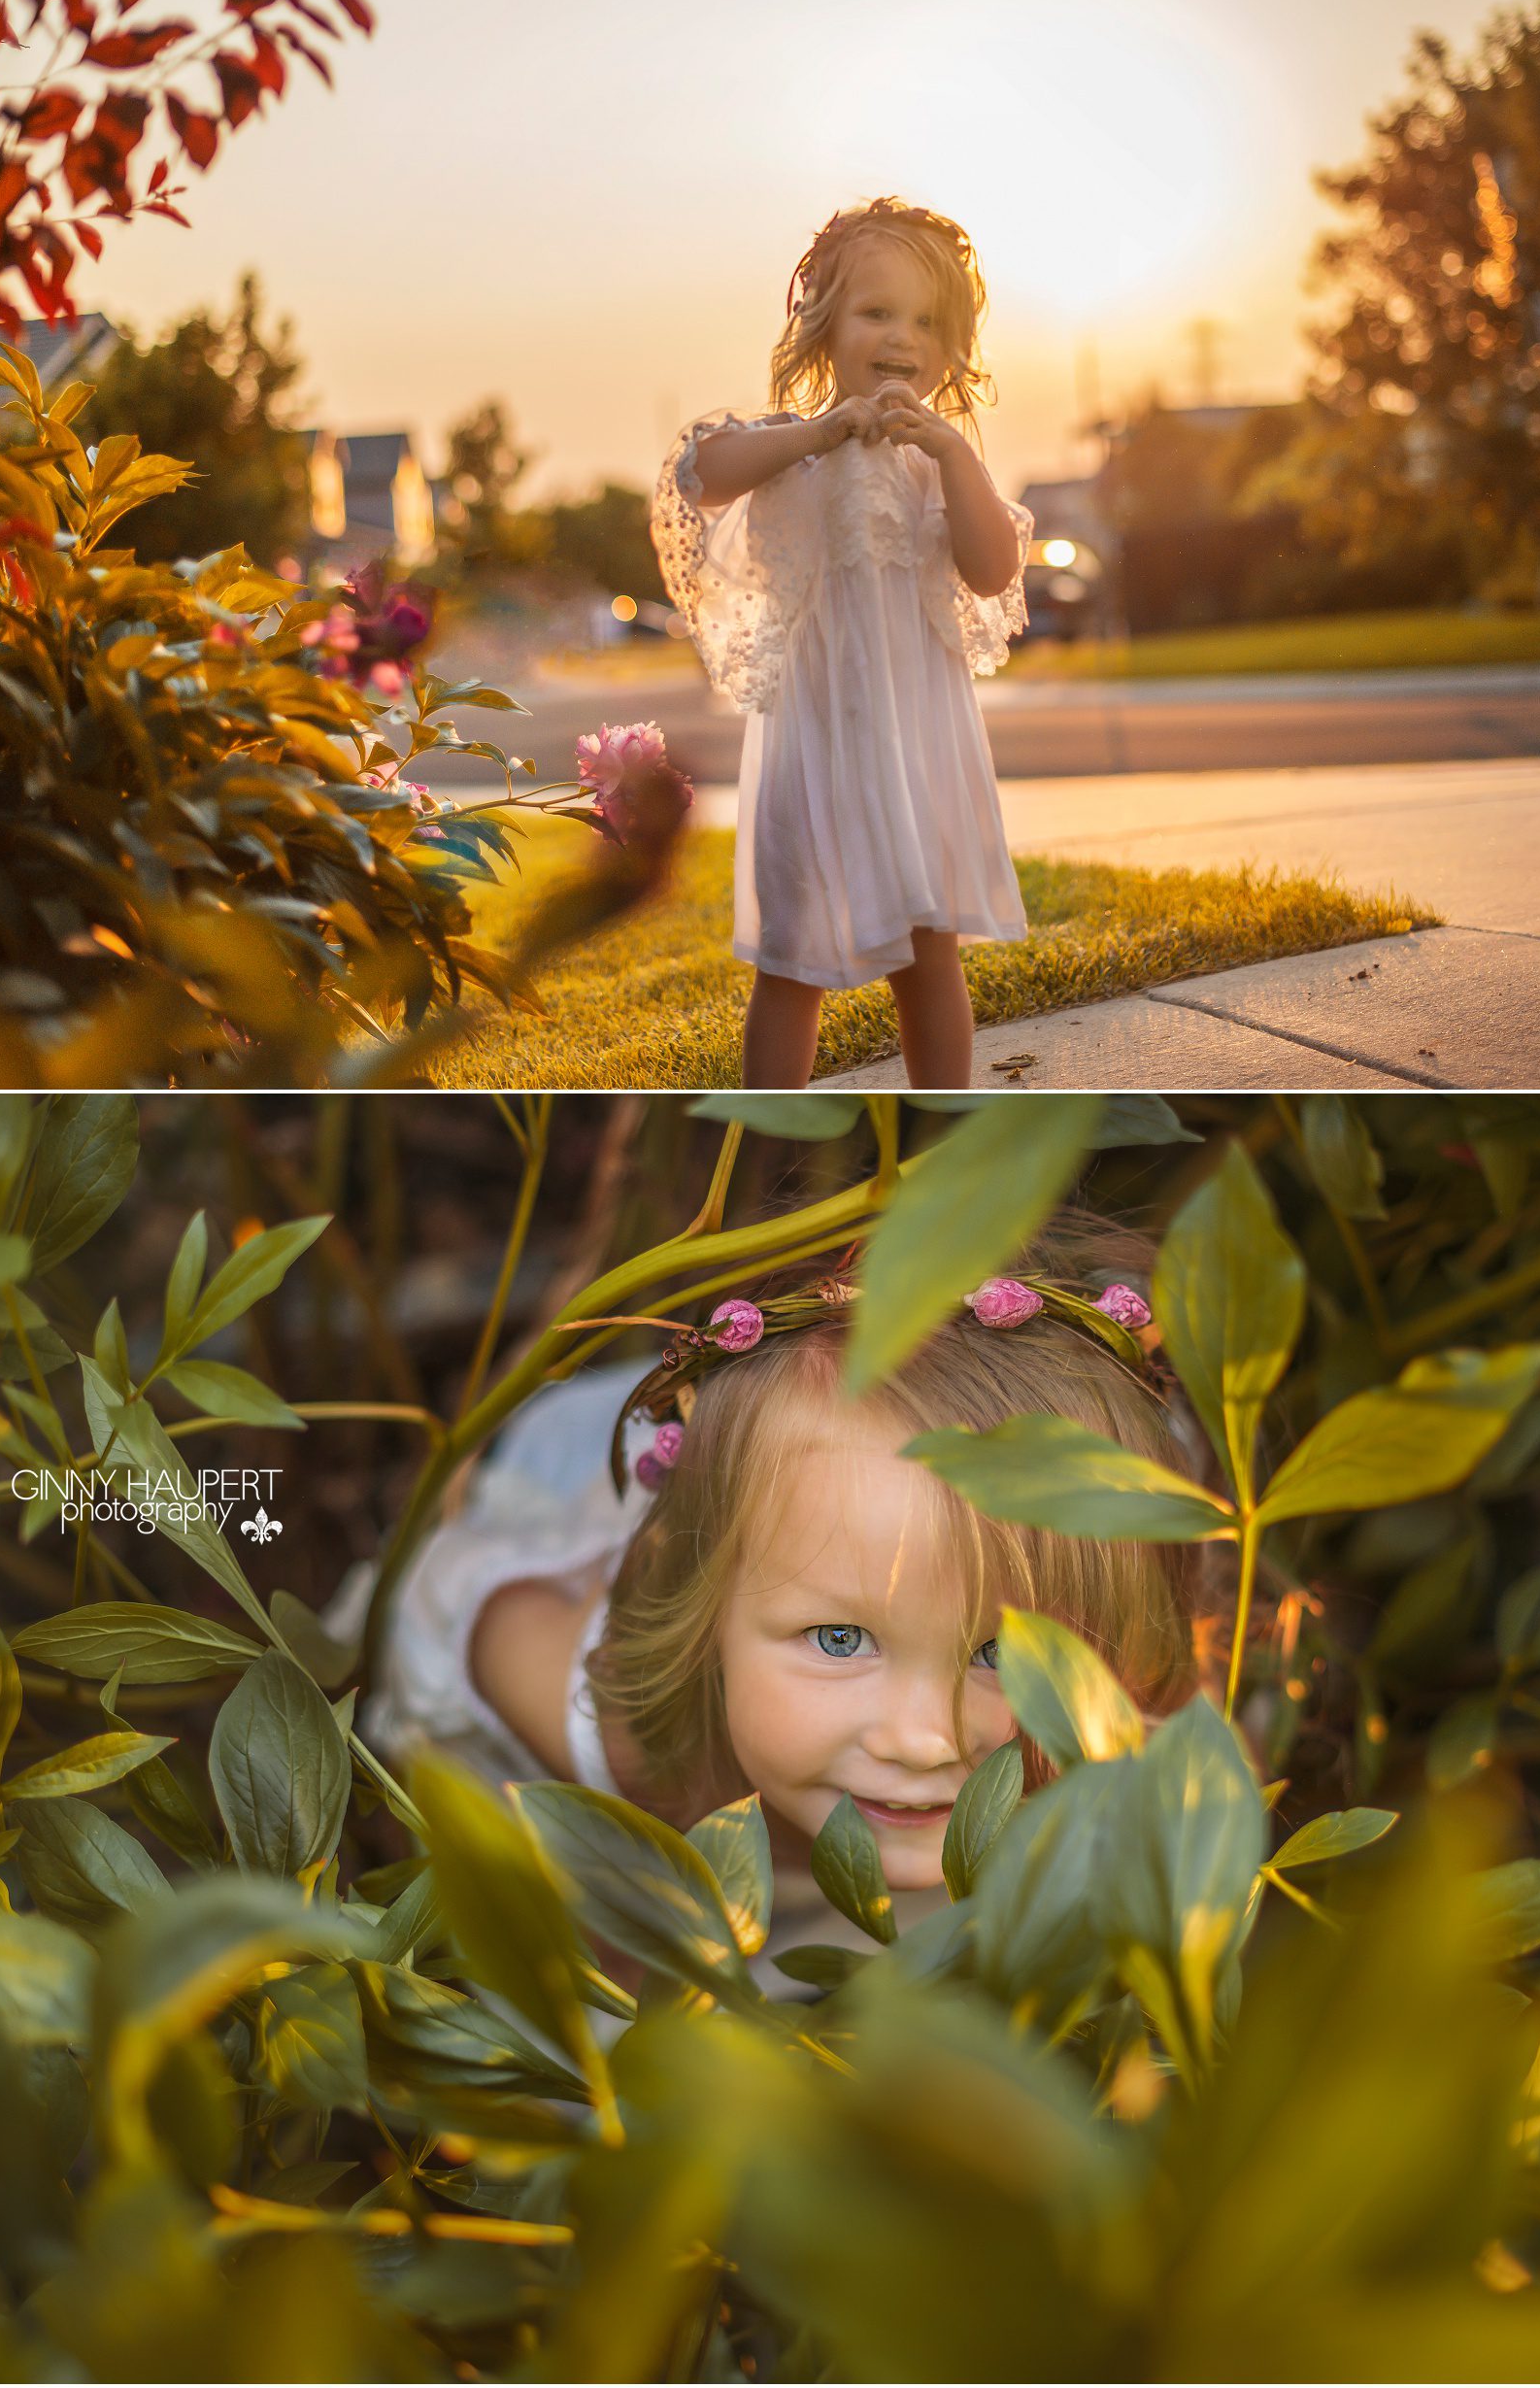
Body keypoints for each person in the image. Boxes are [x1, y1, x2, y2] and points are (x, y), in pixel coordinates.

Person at [359, 1239, 1204, 1975]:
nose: (922, 1740)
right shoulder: (635, 1743)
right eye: (840, 1639)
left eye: (1004, 1653)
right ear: (709, 1625)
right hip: (572, 1490)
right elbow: (444, 1611)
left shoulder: (1126, 1728)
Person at [649, 196, 1035, 1092]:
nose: (904, 337)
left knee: (928, 953)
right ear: (823, 325)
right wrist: (816, 431)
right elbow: (699, 473)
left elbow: (990, 568)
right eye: (877, 312)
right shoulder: (795, 450)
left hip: (916, 749)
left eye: (928, 321)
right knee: (790, 962)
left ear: (955, 349)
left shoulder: (935, 464)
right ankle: (768, 1136)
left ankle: (942, 1123)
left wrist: (957, 457)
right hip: (815, 749)